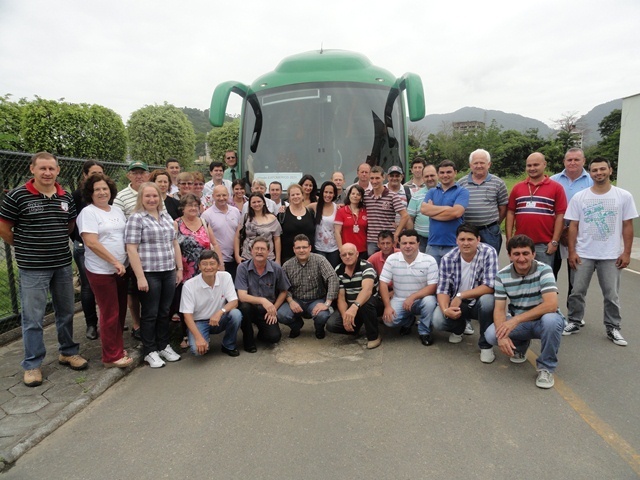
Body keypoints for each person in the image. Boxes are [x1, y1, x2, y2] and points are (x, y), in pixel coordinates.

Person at [0, 152, 88, 387]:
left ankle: (68, 352)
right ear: (32, 169)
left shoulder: (66, 197)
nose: (47, 173)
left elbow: (69, 225)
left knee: (66, 311)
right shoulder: (18, 196)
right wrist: (24, 246)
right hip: (32, 268)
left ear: (57, 170)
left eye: (51, 168)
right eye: (43, 168)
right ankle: (32, 364)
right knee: (33, 318)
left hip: (61, 264)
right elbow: (4, 227)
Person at [562, 157, 638, 345]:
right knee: (577, 291)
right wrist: (572, 251)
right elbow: (573, 226)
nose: (599, 173)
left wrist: (626, 252)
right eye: (595, 170)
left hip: (610, 254)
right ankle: (574, 321)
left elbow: (627, 226)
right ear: (590, 173)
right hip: (583, 253)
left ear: (610, 171)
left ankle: (613, 327)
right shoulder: (581, 197)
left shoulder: (623, 196)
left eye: (603, 169)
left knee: (611, 294)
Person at [484, 235, 564, 389]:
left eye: (525, 253)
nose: (521, 258)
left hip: (543, 321)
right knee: (491, 335)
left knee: (551, 321)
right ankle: (520, 347)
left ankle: (546, 368)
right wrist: (502, 336)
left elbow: (551, 305)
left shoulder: (544, 270)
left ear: (533, 254)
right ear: (509, 256)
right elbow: (499, 309)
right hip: (522, 323)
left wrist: (515, 320)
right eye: (516, 254)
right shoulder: (502, 276)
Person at [77, 173, 132, 368]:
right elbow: (91, 242)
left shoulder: (116, 210)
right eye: (97, 189)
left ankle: (117, 347)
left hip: (121, 269)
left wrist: (124, 261)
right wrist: (114, 261)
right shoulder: (88, 213)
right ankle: (111, 357)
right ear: (90, 193)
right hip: (101, 270)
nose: (101, 192)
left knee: (120, 311)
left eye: (105, 189)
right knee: (109, 313)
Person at [125, 182, 183, 368]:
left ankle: (163, 345)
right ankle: (149, 350)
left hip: (167, 271)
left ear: (160, 197)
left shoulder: (166, 217)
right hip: (149, 272)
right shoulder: (136, 219)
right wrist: (140, 276)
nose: (152, 199)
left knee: (164, 311)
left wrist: (179, 268)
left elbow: (174, 244)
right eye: (147, 196)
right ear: (141, 198)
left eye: (155, 196)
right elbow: (131, 249)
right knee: (150, 312)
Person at [431, 224, 498, 363]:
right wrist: (445, 310)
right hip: (458, 305)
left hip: (478, 302)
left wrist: (461, 295)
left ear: (478, 239)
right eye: (462, 239)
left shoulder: (488, 252)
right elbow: (442, 289)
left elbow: (490, 285)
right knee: (438, 319)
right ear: (456, 241)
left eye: (470, 239)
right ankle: (459, 328)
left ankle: (486, 345)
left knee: (488, 301)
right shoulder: (448, 258)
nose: (466, 243)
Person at [173, 193, 224, 347]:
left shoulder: (203, 221)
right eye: (190, 205)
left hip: (206, 269)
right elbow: (174, 247)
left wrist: (220, 264)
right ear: (182, 208)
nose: (193, 208)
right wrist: (179, 269)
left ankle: (204, 329)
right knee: (186, 303)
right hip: (186, 271)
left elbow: (214, 244)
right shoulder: (176, 224)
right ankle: (186, 335)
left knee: (203, 301)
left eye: (196, 205)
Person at [505, 152, 567, 270]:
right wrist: (509, 238)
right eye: (529, 165)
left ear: (544, 164)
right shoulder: (518, 187)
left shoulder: (556, 188)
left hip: (544, 245)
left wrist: (554, 241)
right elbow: (511, 212)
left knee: (544, 280)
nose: (532, 168)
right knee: (519, 279)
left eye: (536, 165)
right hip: (520, 244)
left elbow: (560, 215)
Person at [379, 229, 438, 345]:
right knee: (389, 321)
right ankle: (408, 321)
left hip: (421, 299)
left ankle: (424, 331)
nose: (408, 246)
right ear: (399, 244)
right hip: (399, 299)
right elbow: (383, 283)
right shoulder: (392, 259)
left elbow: (432, 287)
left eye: (411, 243)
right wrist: (387, 306)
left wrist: (413, 297)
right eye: (404, 243)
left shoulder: (429, 260)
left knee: (430, 301)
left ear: (418, 244)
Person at [179, 250, 242, 357]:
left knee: (236, 314)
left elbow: (234, 301)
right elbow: (187, 315)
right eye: (204, 264)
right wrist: (198, 338)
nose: (208, 267)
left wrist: (219, 313)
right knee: (197, 352)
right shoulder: (189, 285)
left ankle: (228, 345)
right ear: (199, 266)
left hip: (219, 319)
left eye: (212, 264)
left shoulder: (225, 276)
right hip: (199, 321)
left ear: (218, 265)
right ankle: (200, 336)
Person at [113, 160, 150, 340]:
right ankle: (137, 323)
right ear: (129, 175)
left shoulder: (152, 193)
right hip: (132, 253)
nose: (139, 176)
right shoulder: (121, 197)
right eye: (135, 173)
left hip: (152, 254)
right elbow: (118, 224)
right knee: (133, 291)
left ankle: (151, 323)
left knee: (150, 290)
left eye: (142, 172)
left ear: (148, 175)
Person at [550, 148, 593, 296]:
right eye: (569, 160)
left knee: (576, 277)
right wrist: (560, 231)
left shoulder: (591, 182)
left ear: (584, 161)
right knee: (550, 273)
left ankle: (574, 313)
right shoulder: (553, 180)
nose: (573, 163)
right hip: (555, 232)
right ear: (564, 161)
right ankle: (550, 309)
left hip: (580, 235)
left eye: (577, 159)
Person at [235, 237, 291, 352]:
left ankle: (262, 332)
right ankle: (248, 340)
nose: (259, 251)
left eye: (263, 249)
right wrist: (262, 300)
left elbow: (284, 291)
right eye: (256, 249)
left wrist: (273, 309)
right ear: (251, 251)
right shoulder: (242, 268)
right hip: (250, 308)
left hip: (267, 310)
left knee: (274, 337)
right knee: (244, 308)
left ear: (269, 252)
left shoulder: (276, 268)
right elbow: (242, 296)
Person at [280, 234, 340, 339]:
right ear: (294, 249)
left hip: (316, 300)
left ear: (310, 248)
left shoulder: (320, 260)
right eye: (298, 248)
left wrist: (327, 303)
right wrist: (290, 301)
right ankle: (296, 326)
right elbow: (284, 287)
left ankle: (319, 328)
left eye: (304, 247)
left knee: (323, 315)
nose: (301, 250)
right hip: (296, 300)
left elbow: (332, 278)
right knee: (281, 314)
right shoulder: (287, 265)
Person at [326, 243, 383, 349]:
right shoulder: (339, 270)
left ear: (357, 254)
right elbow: (341, 297)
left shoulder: (366, 266)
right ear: (340, 256)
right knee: (332, 324)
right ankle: (354, 327)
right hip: (351, 306)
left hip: (371, 304)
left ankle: (374, 336)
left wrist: (354, 307)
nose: (347, 257)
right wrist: (345, 317)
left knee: (366, 303)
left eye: (350, 254)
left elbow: (367, 290)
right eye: (344, 255)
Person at [71, 160, 104, 340]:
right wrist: (79, 240)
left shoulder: (107, 194)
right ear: (85, 175)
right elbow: (72, 223)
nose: (97, 176)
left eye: (100, 172)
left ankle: (110, 321)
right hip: (84, 247)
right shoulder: (77, 196)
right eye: (93, 173)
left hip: (105, 248)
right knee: (88, 286)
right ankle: (91, 324)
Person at [457, 149, 508, 254]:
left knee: (490, 262)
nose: (479, 165)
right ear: (471, 165)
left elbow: (503, 207)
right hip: (468, 231)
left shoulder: (498, 183)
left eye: (482, 163)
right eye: (476, 163)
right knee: (468, 261)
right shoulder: (461, 183)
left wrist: (494, 223)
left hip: (490, 231)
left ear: (489, 164)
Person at [421, 159, 470, 266]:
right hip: (432, 245)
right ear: (438, 174)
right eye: (442, 172)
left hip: (454, 245)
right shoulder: (432, 191)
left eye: (449, 172)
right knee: (433, 280)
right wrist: (448, 208)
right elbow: (424, 210)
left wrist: (432, 211)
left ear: (455, 173)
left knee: (454, 280)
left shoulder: (462, 191)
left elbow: (456, 213)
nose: (445, 175)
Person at [364, 166, 410, 256]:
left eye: (377, 178)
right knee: (373, 266)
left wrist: (396, 234)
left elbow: (405, 215)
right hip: (372, 240)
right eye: (372, 178)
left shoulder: (392, 195)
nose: (374, 181)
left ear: (383, 178)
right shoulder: (366, 195)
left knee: (390, 264)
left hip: (388, 240)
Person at [201, 185, 242, 278]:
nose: (221, 198)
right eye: (218, 195)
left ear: (228, 195)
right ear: (213, 196)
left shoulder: (235, 212)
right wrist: (218, 261)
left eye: (224, 195)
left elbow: (239, 235)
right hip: (218, 260)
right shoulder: (207, 215)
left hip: (236, 259)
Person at [235, 192, 282, 264]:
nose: (256, 204)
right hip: (247, 257)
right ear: (250, 204)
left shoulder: (272, 218)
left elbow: (277, 239)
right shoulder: (246, 217)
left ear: (263, 202)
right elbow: (237, 237)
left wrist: (278, 259)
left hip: (268, 258)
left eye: (259, 201)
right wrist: (237, 256)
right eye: (254, 202)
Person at [279, 183, 316, 263]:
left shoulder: (310, 212)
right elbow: (277, 237)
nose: (296, 197)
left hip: (309, 257)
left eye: (298, 194)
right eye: (293, 195)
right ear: (289, 197)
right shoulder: (282, 214)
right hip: (288, 257)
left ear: (302, 195)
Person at [407, 163, 437, 252]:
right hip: (421, 240)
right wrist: (412, 237)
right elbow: (410, 218)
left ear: (437, 175)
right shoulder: (416, 195)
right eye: (426, 176)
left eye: (432, 175)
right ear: (423, 178)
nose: (429, 178)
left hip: (440, 238)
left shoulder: (445, 192)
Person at [334, 184, 368, 260]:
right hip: (347, 251)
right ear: (349, 195)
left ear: (361, 197)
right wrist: (341, 248)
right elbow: (337, 232)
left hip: (362, 249)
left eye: (358, 194)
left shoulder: (365, 211)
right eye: (353, 194)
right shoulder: (341, 211)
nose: (355, 196)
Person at [311, 181, 340, 267]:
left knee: (333, 272)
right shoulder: (315, 206)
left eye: (330, 192)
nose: (328, 195)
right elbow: (299, 208)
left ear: (334, 194)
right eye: (325, 192)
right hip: (319, 248)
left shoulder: (337, 208)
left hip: (334, 248)